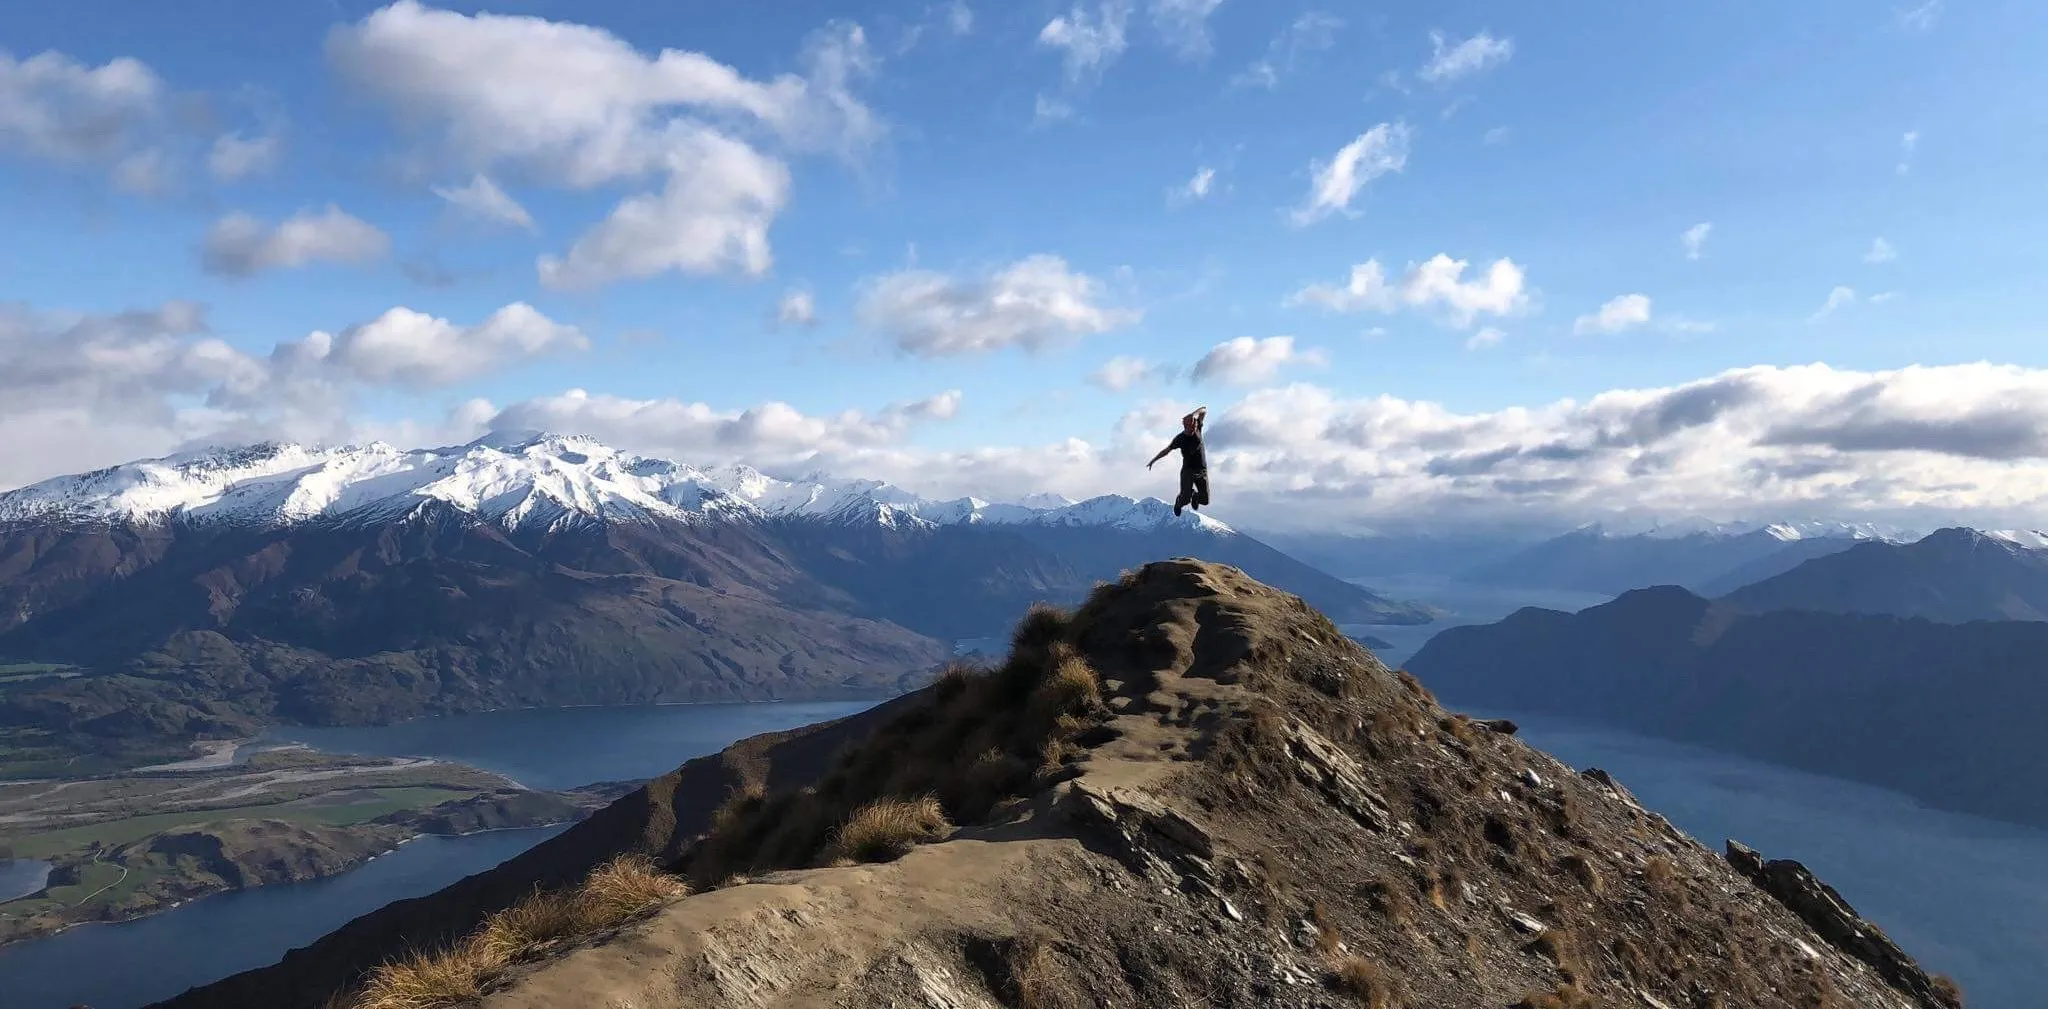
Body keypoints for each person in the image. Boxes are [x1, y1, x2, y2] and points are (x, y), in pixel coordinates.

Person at [1146, 406, 1209, 517]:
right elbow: (1167, 450)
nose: (1194, 428)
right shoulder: (1180, 439)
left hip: (1201, 470)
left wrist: (1193, 415)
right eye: (1191, 426)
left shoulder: (1198, 427)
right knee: (1185, 499)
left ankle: (1195, 496)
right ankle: (1178, 503)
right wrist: (1154, 460)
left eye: (1194, 425)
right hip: (1188, 470)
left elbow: (1203, 410)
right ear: (1185, 426)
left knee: (1205, 500)